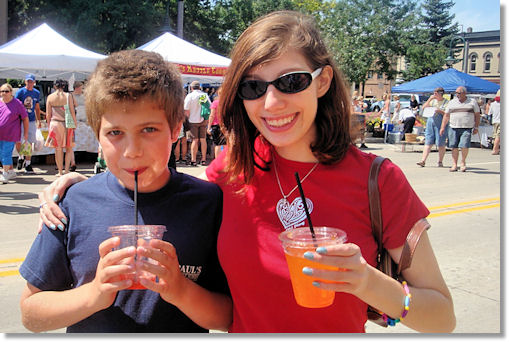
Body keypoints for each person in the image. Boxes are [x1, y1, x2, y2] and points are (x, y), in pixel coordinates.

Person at [38, 11, 455, 333]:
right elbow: (162, 190)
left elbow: (442, 316)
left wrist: (367, 282)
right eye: (254, 87)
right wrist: (79, 186)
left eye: (290, 82)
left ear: (323, 81)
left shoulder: (378, 179)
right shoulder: (232, 170)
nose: (271, 103)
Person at [19, 50, 232, 333]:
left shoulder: (209, 203)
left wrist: (181, 291)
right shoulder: (72, 204)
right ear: (97, 136)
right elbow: (31, 314)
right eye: (115, 133)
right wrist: (94, 294)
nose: (132, 151)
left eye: (149, 129)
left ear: (175, 130)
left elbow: (228, 316)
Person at [440, 86, 480, 172]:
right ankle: (454, 164)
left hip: (467, 127)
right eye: (456, 93)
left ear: (464, 93)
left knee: (464, 145)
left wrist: (476, 127)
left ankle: (463, 162)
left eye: (459, 93)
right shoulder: (452, 102)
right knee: (453, 146)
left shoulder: (472, 102)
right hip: (453, 127)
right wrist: (442, 127)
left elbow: (477, 115)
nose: (457, 95)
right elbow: (446, 115)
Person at [44, 79, 77, 176]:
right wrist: (75, 123)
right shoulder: (68, 96)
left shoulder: (50, 97)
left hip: (55, 123)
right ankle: (66, 170)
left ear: (55, 86)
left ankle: (59, 171)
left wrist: (49, 125)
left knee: (57, 149)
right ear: (64, 86)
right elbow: (72, 111)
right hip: (67, 123)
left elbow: (48, 114)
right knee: (69, 148)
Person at [0, 83, 29, 184]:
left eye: (6, 91)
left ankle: (5, 173)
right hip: (1, 133)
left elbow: (25, 118)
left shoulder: (17, 103)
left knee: (5, 153)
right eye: (2, 91)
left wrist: (25, 134)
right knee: (1, 154)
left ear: (11, 92)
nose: (4, 93)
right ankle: (11, 171)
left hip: (11, 133)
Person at [15, 74, 41, 174]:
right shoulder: (20, 92)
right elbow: (16, 104)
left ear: (34, 82)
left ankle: (28, 164)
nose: (30, 83)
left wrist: (38, 120)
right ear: (25, 82)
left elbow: (37, 107)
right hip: (20, 120)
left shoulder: (36, 93)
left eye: (31, 81)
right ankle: (21, 157)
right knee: (18, 140)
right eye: (28, 81)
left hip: (30, 119)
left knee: (29, 141)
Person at [416, 87, 449, 167]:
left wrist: (439, 111)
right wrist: (429, 100)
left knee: (440, 143)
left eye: (435, 93)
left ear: (440, 93)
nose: (434, 94)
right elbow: (423, 108)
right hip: (430, 122)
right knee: (428, 141)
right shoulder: (433, 101)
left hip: (440, 123)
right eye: (433, 93)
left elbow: (447, 114)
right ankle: (423, 161)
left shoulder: (446, 102)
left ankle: (440, 161)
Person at [184, 81, 210, 166]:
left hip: (192, 120)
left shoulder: (190, 96)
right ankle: (203, 159)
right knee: (203, 140)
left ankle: (193, 160)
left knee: (194, 140)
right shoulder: (204, 95)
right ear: (199, 87)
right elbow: (209, 107)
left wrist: (186, 120)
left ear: (191, 88)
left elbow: (186, 110)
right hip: (203, 120)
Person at [207, 87, 227, 158]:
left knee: (218, 144)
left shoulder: (215, 103)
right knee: (225, 144)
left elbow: (212, 115)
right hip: (225, 125)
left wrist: (208, 127)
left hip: (216, 125)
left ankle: (218, 160)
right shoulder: (227, 103)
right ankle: (224, 160)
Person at [489, 90, 500, 155]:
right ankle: (495, 149)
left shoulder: (492, 104)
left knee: (496, 136)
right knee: (498, 136)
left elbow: (490, 113)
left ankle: (496, 148)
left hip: (494, 121)